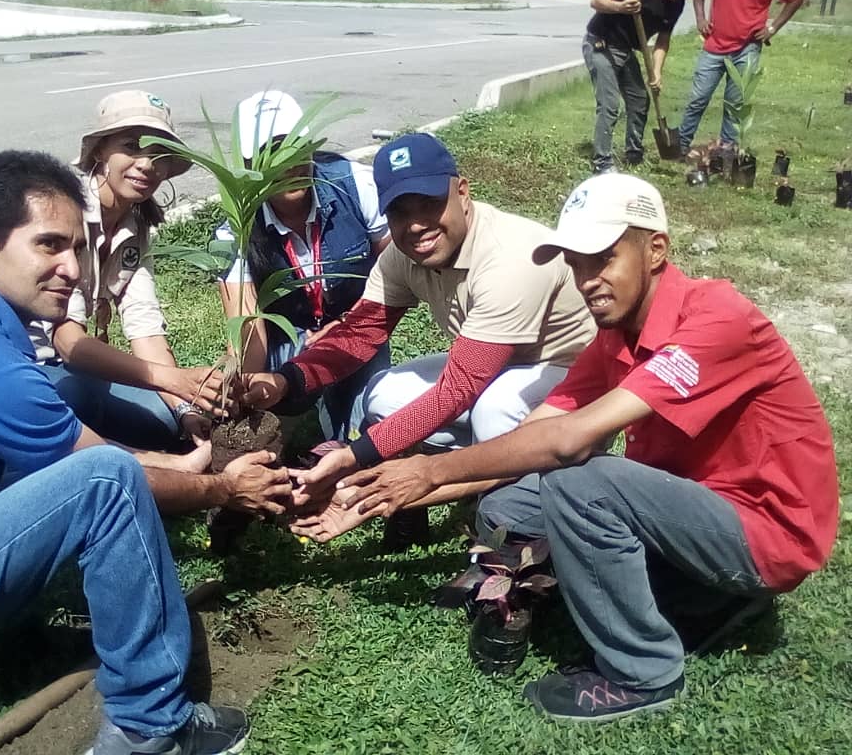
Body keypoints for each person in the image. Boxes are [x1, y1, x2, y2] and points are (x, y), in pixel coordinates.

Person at [0, 151, 293, 755]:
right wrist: (226, 490)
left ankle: (8, 642)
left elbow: (69, 450)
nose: (71, 268)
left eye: (76, 248)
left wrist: (183, 463)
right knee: (107, 483)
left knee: (59, 465)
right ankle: (151, 728)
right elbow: (105, 472)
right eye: (49, 245)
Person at [330, 173, 839, 721]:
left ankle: (644, 673)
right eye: (575, 262)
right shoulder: (614, 338)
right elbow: (530, 438)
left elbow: (567, 442)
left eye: (603, 258)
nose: (586, 279)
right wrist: (383, 494)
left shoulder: (718, 320)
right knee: (508, 503)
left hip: (765, 534)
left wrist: (428, 473)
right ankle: (694, 597)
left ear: (656, 250)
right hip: (690, 506)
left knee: (578, 481)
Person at [246, 132, 596, 550]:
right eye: (399, 210)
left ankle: (514, 529)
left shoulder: (510, 258)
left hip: (571, 381)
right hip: (499, 366)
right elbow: (361, 333)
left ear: (462, 192)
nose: (416, 225)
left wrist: (356, 455)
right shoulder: (401, 254)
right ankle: (416, 499)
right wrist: (285, 383)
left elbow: (460, 388)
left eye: (430, 203)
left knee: (493, 406)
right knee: (384, 393)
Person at [32, 89, 229, 450]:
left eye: (159, 154)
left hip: (73, 371)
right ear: (100, 151)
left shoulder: (135, 226)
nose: (146, 164)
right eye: (131, 146)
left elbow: (145, 328)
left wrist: (184, 407)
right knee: (75, 396)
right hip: (30, 368)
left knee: (167, 423)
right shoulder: (67, 213)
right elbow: (68, 341)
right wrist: (174, 378)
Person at [216, 90, 392, 443]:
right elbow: (249, 327)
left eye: (295, 147)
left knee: (366, 430)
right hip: (287, 339)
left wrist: (345, 326)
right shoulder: (233, 230)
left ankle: (344, 429)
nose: (289, 164)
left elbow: (395, 272)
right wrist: (247, 389)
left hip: (357, 326)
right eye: (270, 154)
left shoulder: (356, 185)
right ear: (249, 166)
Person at [678, 0, 805, 156]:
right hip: (715, 44)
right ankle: (680, 145)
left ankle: (726, 152)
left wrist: (772, 29)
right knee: (698, 98)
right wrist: (700, 19)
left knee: (734, 104)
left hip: (747, 48)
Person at [583, 0, 686, 174]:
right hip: (601, 43)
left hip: (625, 49)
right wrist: (621, 7)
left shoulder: (676, 3)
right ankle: (602, 162)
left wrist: (656, 73)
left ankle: (633, 153)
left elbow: (663, 40)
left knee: (639, 100)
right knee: (609, 104)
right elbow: (596, 1)